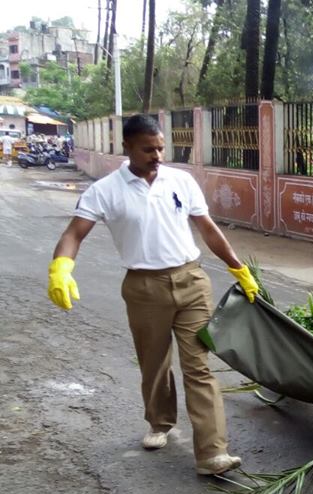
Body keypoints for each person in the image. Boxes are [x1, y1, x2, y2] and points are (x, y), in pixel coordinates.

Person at [47, 114, 260, 475]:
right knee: (154, 364)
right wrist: (60, 268)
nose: (158, 154)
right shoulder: (105, 191)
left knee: (199, 367)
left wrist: (238, 268)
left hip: (191, 281)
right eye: (148, 149)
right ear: (127, 147)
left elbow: (207, 229)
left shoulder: (181, 180)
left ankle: (212, 453)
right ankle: (160, 422)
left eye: (161, 147)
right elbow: (74, 234)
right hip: (143, 287)